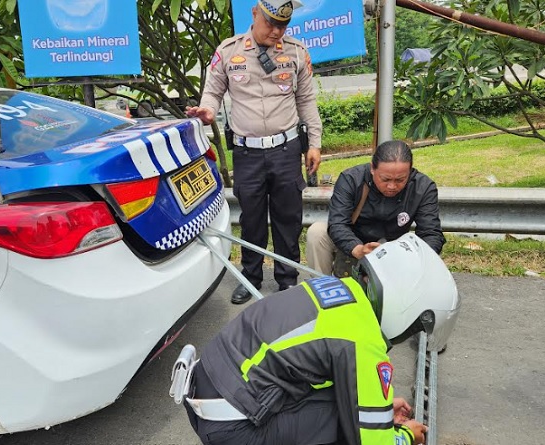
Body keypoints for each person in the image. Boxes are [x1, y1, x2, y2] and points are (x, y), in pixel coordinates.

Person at [172, 233, 460, 445]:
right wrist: (406, 435)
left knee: (347, 413)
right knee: (346, 429)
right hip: (234, 426)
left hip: (210, 388)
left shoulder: (336, 289)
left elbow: (313, 369)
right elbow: (373, 441)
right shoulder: (362, 338)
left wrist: (378, 407)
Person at [186, 0, 322, 304]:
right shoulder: (229, 51)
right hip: (247, 154)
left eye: (282, 26)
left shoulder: (296, 52)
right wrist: (207, 111)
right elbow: (212, 92)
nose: (276, 31)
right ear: (254, 13)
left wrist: (314, 144)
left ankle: (287, 279)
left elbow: (306, 101)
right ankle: (250, 277)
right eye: (270, 23)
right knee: (252, 219)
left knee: (288, 218)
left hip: (286, 150)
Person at [306, 140, 445, 278]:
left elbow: (431, 234)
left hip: (397, 249)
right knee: (317, 232)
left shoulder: (423, 187)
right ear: (372, 168)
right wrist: (357, 249)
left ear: (410, 171)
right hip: (355, 242)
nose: (392, 186)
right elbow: (337, 224)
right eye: (385, 179)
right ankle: (322, 286)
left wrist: (411, 259)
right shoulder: (351, 179)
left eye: (400, 180)